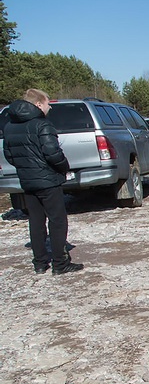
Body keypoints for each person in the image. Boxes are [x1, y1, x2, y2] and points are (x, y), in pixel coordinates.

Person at [2, 88, 83, 274]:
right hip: (48, 180)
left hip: (28, 181)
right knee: (57, 221)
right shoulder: (42, 125)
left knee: (36, 221)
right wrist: (64, 168)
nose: (49, 108)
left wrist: (26, 168)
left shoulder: (10, 126)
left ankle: (40, 263)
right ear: (38, 104)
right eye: (47, 104)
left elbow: (9, 155)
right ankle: (60, 263)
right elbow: (53, 153)